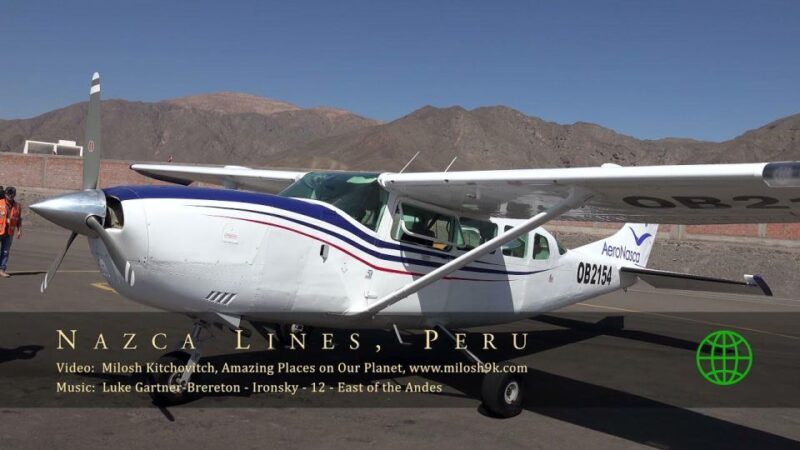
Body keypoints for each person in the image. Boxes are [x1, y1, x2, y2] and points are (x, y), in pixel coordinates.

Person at [0, 186, 23, 277]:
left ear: (14, 195)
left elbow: (19, 219)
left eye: (11, 194)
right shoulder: (0, 203)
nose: (9, 196)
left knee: (5, 251)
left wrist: (19, 230)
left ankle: (2, 269)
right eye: (8, 194)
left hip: (9, 232)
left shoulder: (18, 206)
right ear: (5, 194)